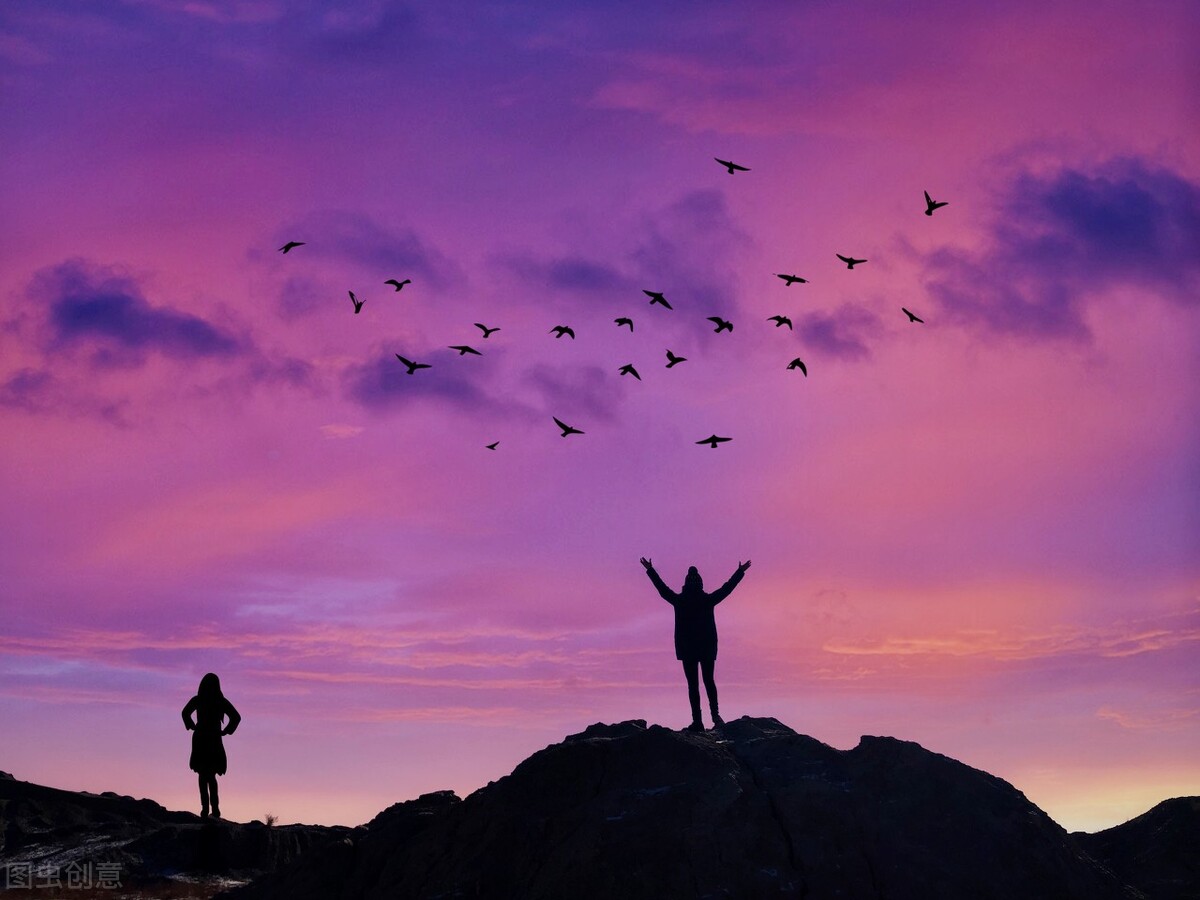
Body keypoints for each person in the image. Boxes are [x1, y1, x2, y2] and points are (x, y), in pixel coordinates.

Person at [640, 557, 751, 732]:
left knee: (693, 685)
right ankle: (715, 716)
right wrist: (740, 571)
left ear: (686, 584)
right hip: (706, 647)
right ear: (700, 584)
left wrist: (650, 570)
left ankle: (698, 722)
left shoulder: (680, 600)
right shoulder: (707, 600)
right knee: (709, 681)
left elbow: (662, 589)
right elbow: (727, 589)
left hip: (687, 648)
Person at [181, 673, 241, 819]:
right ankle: (213, 809)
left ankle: (207, 809)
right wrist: (226, 730)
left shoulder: (199, 700)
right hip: (211, 738)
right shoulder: (220, 701)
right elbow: (236, 717)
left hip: (204, 738)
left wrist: (192, 726)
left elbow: (185, 713)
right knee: (209, 776)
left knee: (204, 776)